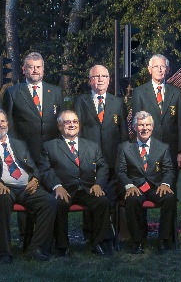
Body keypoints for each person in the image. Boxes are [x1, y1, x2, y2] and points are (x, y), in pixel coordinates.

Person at [0, 109, 56, 262]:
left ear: (7, 124)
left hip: (25, 187)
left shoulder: (19, 144)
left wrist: (35, 180)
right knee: (1, 197)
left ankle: (36, 248)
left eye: (3, 121)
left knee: (49, 202)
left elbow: (32, 167)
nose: (0, 125)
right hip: (1, 187)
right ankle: (4, 252)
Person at [39, 109, 114, 257]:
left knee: (102, 201)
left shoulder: (92, 146)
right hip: (64, 188)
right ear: (60, 126)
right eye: (67, 122)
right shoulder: (49, 146)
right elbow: (45, 169)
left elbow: (103, 167)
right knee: (58, 203)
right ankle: (62, 246)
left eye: (75, 122)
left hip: (87, 188)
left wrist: (98, 184)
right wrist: (57, 186)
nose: (72, 125)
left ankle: (98, 243)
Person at [117, 111, 178, 253]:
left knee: (169, 197)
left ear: (152, 127)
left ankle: (164, 240)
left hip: (156, 187)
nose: (144, 128)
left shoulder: (163, 147)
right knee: (132, 200)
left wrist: (165, 184)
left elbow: (169, 170)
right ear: (135, 127)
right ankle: (137, 241)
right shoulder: (125, 147)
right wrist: (129, 185)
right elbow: (120, 171)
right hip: (135, 186)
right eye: (141, 125)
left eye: (148, 125)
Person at [4, 52, 66, 162]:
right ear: (24, 69)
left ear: (43, 69)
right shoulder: (12, 93)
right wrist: (17, 150)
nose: (35, 70)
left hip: (52, 152)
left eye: (38, 67)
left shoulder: (56, 91)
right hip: (25, 154)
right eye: (31, 67)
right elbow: (8, 125)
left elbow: (62, 122)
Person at [129, 54, 181, 164]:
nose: (159, 69)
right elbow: (136, 123)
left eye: (162, 66)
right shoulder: (139, 93)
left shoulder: (176, 93)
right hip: (147, 150)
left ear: (167, 70)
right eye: (155, 66)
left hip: (171, 152)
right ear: (150, 70)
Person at [75, 64, 125, 169]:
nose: (101, 79)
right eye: (96, 76)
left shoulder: (118, 102)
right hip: (89, 158)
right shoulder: (81, 101)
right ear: (90, 80)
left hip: (113, 158)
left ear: (109, 80)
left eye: (104, 76)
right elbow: (77, 131)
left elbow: (123, 133)